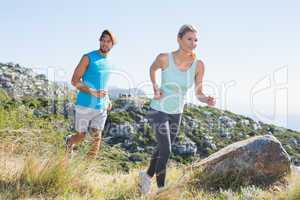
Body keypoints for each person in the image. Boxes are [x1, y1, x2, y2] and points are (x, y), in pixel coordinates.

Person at [139, 24, 216, 194]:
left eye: (196, 40)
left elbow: (198, 92)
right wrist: (155, 87)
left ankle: (146, 176)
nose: (193, 43)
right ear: (179, 39)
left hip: (177, 113)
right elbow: (152, 68)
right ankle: (161, 191)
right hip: (158, 109)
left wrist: (207, 99)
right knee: (166, 149)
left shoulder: (199, 65)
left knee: (161, 149)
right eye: (189, 39)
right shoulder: (165, 58)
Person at [65, 29, 116, 159]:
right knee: (81, 136)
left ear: (112, 44)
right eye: (102, 40)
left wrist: (108, 99)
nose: (104, 43)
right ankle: (70, 141)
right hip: (85, 104)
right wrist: (93, 92)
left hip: (101, 107)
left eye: (108, 41)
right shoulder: (88, 57)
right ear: (99, 41)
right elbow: (74, 81)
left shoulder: (110, 62)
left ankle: (86, 170)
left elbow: (103, 83)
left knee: (96, 138)